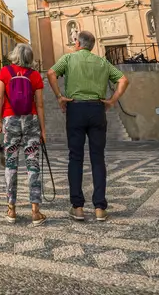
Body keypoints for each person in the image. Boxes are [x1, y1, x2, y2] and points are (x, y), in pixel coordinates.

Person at [47, 31, 129, 222]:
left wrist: (60, 96)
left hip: (75, 108)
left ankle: (78, 207)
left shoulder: (68, 58)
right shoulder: (102, 62)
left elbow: (51, 73)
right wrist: (112, 100)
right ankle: (100, 207)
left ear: (77, 43)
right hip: (97, 109)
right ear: (92, 46)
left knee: (75, 158)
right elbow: (124, 80)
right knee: (98, 158)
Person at [0, 43, 47, 226]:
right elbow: (40, 104)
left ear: (14, 55)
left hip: (11, 120)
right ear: (30, 58)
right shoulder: (34, 76)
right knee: (33, 165)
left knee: (10, 164)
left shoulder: (5, 72)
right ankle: (35, 211)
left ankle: (11, 209)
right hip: (31, 121)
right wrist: (43, 129)